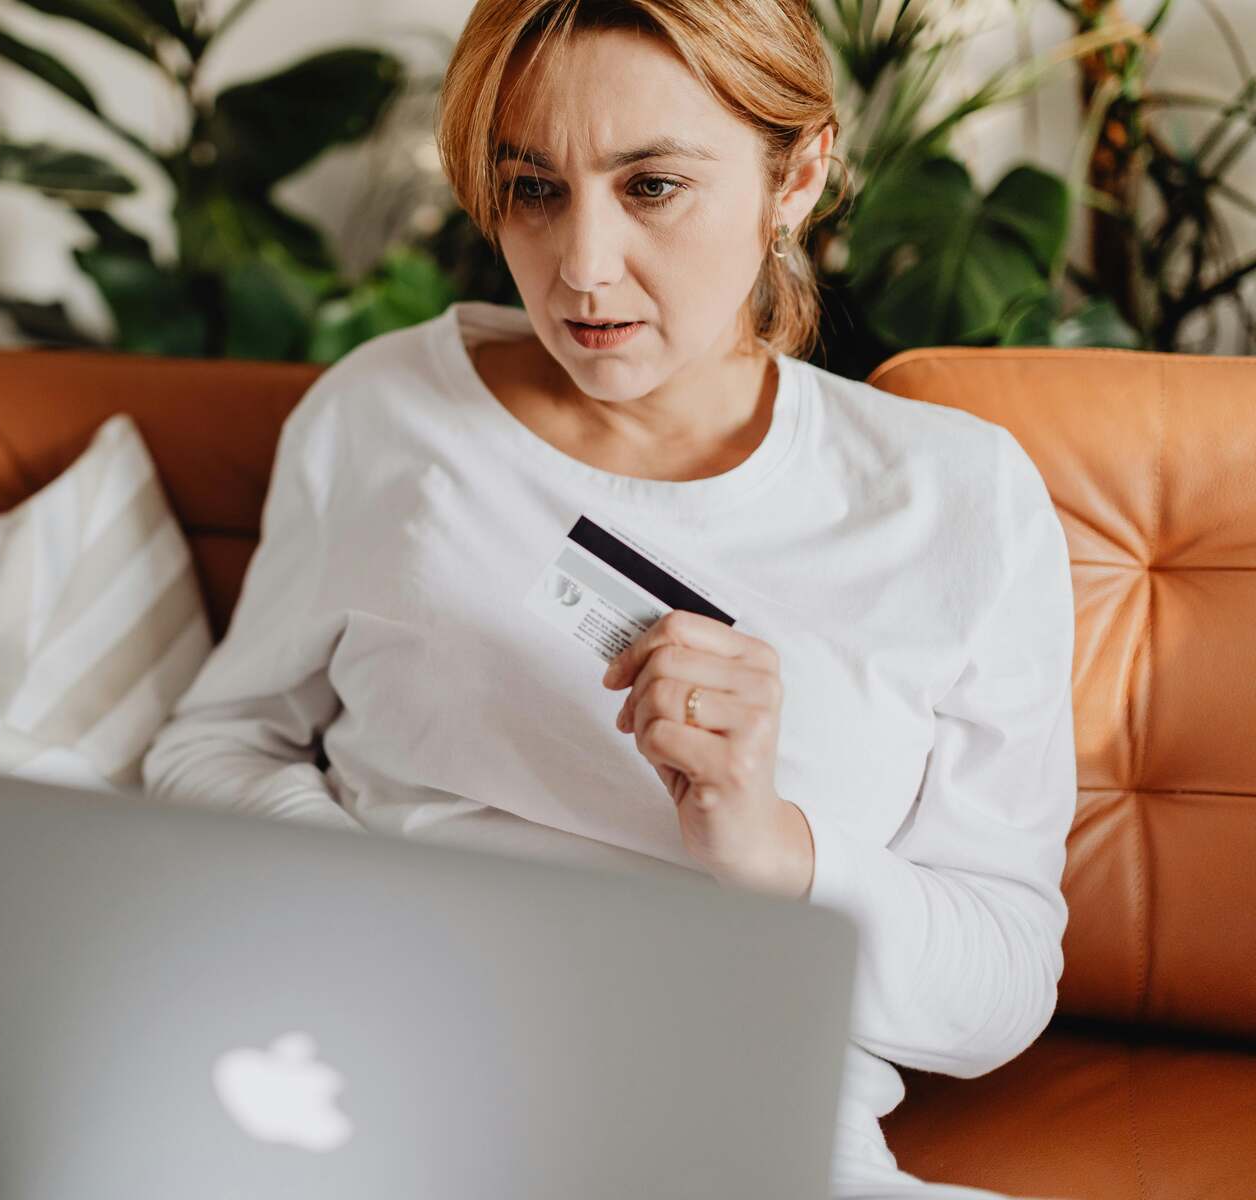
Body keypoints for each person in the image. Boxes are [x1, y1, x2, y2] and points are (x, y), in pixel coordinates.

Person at [141, 2, 1078, 1197]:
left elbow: (999, 992)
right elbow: (214, 745)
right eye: (534, 188)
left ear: (798, 174)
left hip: (727, 1126)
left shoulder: (958, 502)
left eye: (651, 187)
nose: (580, 269)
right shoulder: (385, 413)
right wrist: (373, 899)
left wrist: (771, 844)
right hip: (369, 1065)